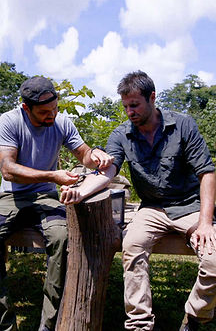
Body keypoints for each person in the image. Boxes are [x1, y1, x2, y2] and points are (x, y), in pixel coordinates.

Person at [61, 70, 216, 331]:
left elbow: (207, 173)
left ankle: (194, 317)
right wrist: (80, 192)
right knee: (132, 247)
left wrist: (204, 222)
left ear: (152, 97)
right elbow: (107, 172)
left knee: (213, 261)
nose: (129, 111)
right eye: (125, 106)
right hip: (151, 209)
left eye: (134, 105)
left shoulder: (183, 125)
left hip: (190, 206)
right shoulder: (121, 134)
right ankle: (140, 323)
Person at [0, 76, 114, 331]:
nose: (52, 115)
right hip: (12, 196)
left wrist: (96, 156)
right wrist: (52, 175)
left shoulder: (61, 122)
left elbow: (83, 153)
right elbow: (8, 170)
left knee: (62, 239)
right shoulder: (9, 121)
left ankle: (47, 324)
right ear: (26, 108)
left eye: (55, 108)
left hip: (47, 197)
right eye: (44, 112)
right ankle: (6, 323)